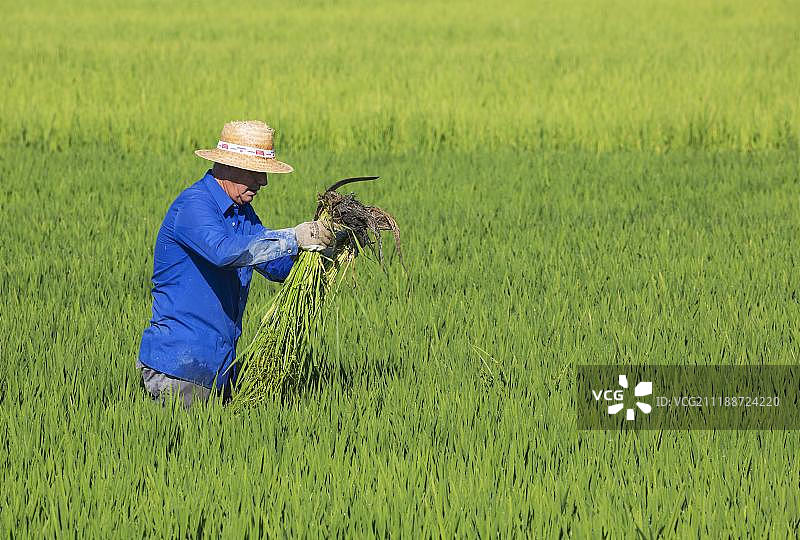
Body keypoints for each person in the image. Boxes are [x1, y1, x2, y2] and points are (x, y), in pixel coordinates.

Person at [136, 120, 334, 408]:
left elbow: (275, 266)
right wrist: (294, 237)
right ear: (228, 166)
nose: (263, 182)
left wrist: (321, 255)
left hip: (218, 367)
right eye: (256, 172)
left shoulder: (242, 214)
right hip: (178, 368)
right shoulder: (194, 206)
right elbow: (224, 253)